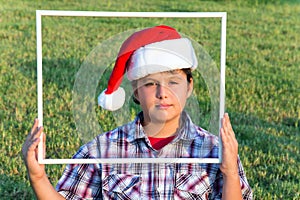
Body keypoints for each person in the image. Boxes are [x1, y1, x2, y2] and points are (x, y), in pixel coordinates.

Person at [22, 25, 253, 199]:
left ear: (189, 87)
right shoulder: (102, 149)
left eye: (173, 82)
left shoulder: (213, 149)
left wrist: (231, 173)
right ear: (135, 91)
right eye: (151, 83)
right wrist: (38, 177)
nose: (162, 93)